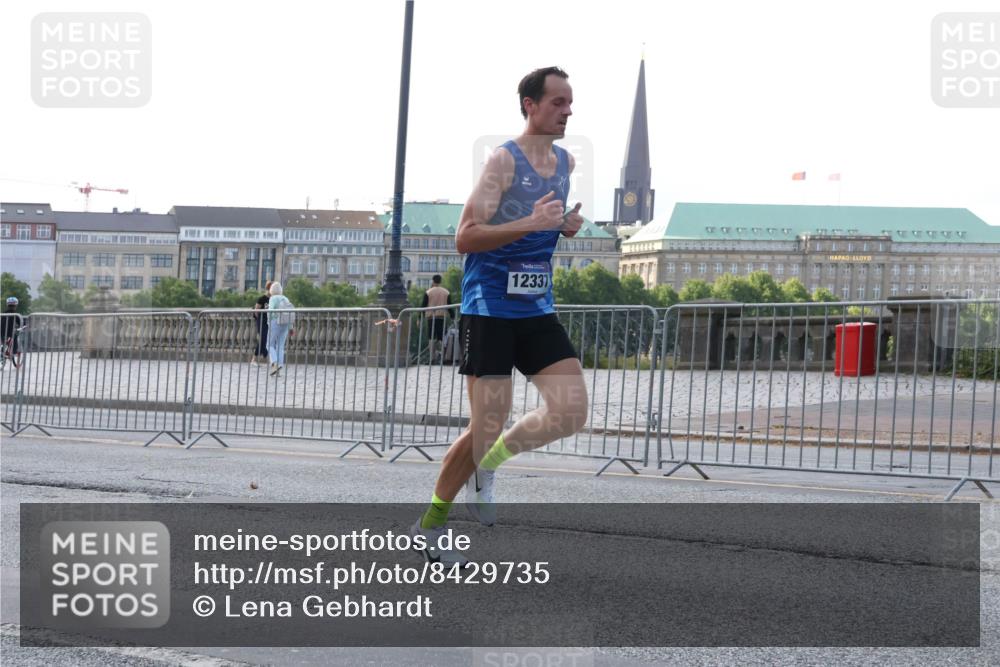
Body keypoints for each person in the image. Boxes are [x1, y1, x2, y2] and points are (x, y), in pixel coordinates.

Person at [410, 66, 589, 565]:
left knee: (570, 412)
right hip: (489, 307)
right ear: (530, 105)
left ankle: (489, 463)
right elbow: (465, 236)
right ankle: (430, 526)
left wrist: (564, 226)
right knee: (485, 422)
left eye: (570, 102)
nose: (567, 111)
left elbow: (543, 224)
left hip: (536, 306)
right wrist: (532, 221)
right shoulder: (503, 161)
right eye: (557, 102)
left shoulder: (566, 161)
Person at [266, 282, 295, 376]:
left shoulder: (273, 298)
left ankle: (274, 362)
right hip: (285, 323)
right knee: (280, 346)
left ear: (271, 290)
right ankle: (279, 366)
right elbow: (289, 314)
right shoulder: (285, 298)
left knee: (269, 344)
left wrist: (268, 322)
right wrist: (291, 327)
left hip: (275, 322)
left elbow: (270, 311)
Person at [421, 274, 452, 363]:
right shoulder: (446, 292)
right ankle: (443, 358)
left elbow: (423, 305)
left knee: (431, 338)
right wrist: (453, 317)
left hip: (431, 318)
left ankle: (432, 358)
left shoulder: (428, 292)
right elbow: (450, 306)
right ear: (440, 281)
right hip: (442, 317)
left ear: (433, 281)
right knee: (442, 338)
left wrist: (420, 317)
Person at [252, 281, 273, 364]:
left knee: (265, 340)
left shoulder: (273, 299)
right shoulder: (262, 298)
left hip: (270, 322)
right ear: (268, 289)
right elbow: (256, 311)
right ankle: (265, 357)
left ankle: (264, 357)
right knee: (263, 339)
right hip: (262, 321)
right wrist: (259, 320)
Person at [1, 297, 23, 367]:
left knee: (4, 342)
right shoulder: (16, 314)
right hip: (9, 332)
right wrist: (24, 325)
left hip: (1, 331)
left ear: (7, 304)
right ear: (16, 305)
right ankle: (14, 352)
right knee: (15, 336)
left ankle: (4, 352)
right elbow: (20, 322)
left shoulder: (3, 313)